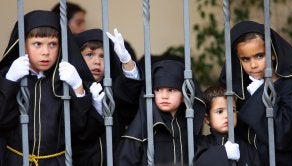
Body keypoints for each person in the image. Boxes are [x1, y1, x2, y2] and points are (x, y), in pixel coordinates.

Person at [0, 10, 94, 165]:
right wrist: (9, 81)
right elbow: (3, 121)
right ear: (23, 44)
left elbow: (79, 129)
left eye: (53, 44)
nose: (46, 52)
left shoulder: (65, 79)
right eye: (37, 44)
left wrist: (78, 88)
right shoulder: (8, 75)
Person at [219, 20, 292, 166]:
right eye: (245, 59)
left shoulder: (288, 85)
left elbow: (284, 134)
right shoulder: (238, 90)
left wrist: (260, 91)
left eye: (259, 56)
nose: (253, 65)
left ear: (273, 54)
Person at [72, 28, 143, 166]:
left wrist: (127, 62)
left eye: (102, 56)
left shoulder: (112, 89)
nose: (97, 61)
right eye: (90, 54)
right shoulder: (67, 88)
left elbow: (129, 99)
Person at [114, 59, 206, 165]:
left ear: (185, 94)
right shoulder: (140, 128)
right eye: (158, 89)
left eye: (171, 90)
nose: (164, 96)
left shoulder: (189, 124)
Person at [193, 85, 261, 166]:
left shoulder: (248, 148)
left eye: (232, 110)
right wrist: (224, 152)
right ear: (207, 118)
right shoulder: (202, 144)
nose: (227, 115)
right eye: (220, 111)